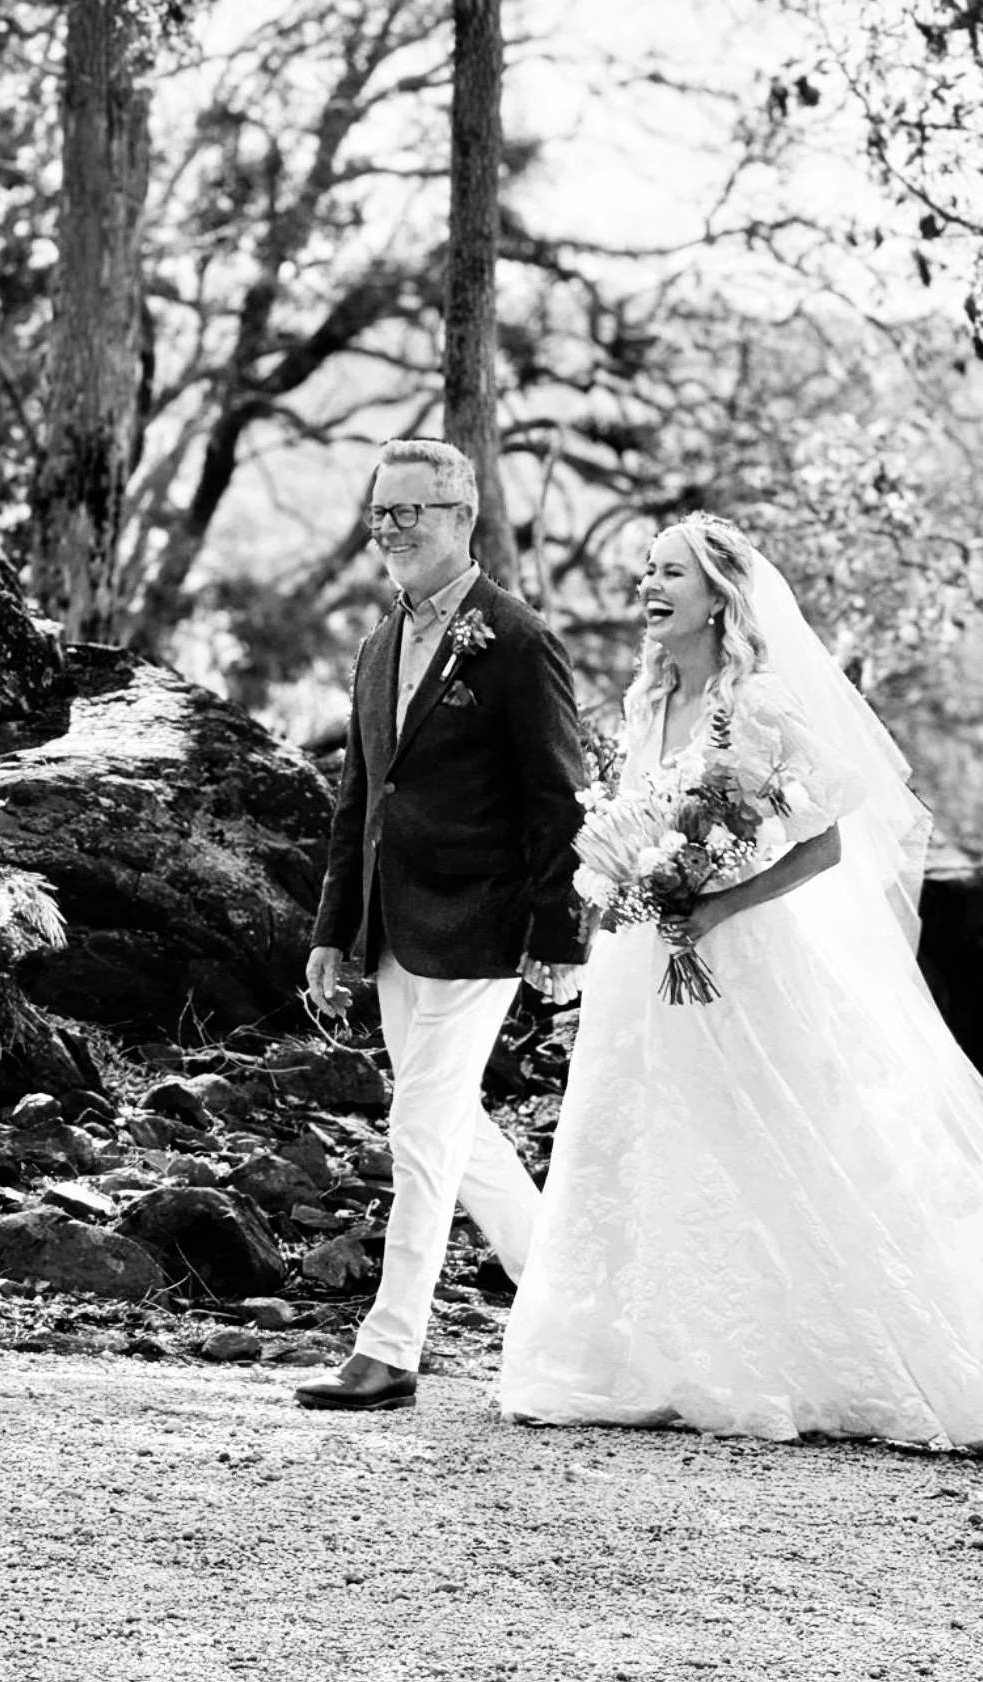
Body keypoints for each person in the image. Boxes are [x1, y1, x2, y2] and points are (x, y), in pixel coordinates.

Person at [496, 510, 983, 1470]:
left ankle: (799, 1353)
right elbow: (622, 823)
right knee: (644, 1133)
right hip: (645, 956)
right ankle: (637, 1358)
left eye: (672, 576)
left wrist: (718, 901)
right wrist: (621, 888)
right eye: (645, 572)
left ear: (720, 597)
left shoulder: (762, 701)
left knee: (767, 1134)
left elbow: (823, 840)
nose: (650, 589)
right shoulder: (643, 699)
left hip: (743, 953)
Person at [296, 438, 586, 1412]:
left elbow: (559, 799)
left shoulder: (518, 640)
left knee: (419, 1128)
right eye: (379, 512)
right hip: (390, 932)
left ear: (460, 516)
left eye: (406, 512)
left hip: (481, 925)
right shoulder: (379, 645)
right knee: (458, 1128)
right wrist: (333, 930)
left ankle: (390, 1349)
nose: (387, 529)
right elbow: (357, 799)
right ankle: (570, 1298)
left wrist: (560, 937)